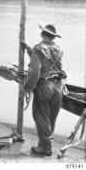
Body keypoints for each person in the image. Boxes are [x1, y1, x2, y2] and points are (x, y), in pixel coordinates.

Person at [22, 24, 65, 156]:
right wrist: (29, 49)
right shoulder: (58, 49)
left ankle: (46, 148)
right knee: (51, 118)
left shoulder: (38, 48)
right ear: (53, 37)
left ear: (42, 34)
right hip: (59, 86)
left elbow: (35, 72)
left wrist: (27, 87)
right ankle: (44, 143)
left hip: (45, 86)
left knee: (40, 116)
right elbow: (50, 64)